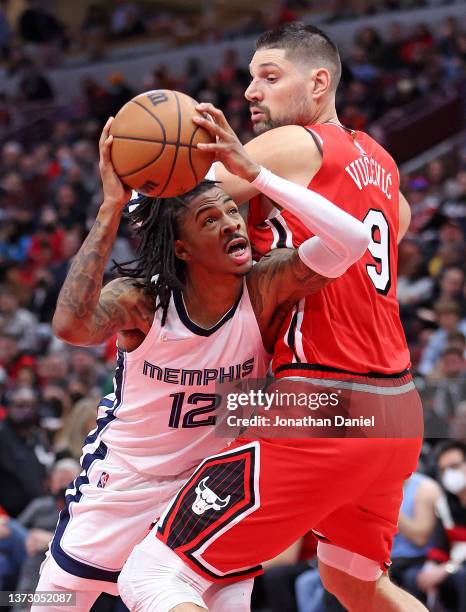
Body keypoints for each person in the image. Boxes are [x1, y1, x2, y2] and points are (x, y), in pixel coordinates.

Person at [118, 23, 425, 612]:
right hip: (399, 407)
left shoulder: (290, 145)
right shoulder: (380, 160)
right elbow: (398, 223)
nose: (251, 91)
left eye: (269, 76)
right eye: (249, 78)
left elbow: (175, 207)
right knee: (356, 584)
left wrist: (143, 164)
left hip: (321, 398)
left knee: (154, 575)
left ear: (318, 82)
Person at [34, 114, 369, 612]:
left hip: (206, 489)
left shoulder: (264, 286)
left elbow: (353, 242)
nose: (232, 223)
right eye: (209, 220)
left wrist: (256, 175)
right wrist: (110, 210)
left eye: (230, 211)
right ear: (182, 249)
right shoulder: (141, 302)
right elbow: (69, 327)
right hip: (124, 482)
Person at [416, 441, 466, 610]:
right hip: (453, 567)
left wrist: (448, 569)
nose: (449, 475)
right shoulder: (445, 505)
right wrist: (430, 567)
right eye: (444, 470)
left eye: (454, 466)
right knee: (415, 577)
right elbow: (439, 545)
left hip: (459, 570)